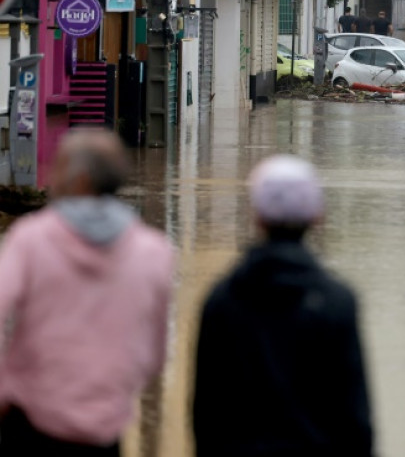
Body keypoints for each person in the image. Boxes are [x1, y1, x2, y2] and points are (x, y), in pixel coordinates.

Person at [0, 129, 174, 457]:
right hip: (104, 432)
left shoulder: (29, 241)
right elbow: (153, 355)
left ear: (79, 181)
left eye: (58, 167)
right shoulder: (154, 252)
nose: (51, 176)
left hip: (29, 423)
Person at [193, 155, 373, 457]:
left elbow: (205, 411)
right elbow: (354, 414)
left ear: (257, 216)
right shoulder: (338, 302)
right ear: (317, 216)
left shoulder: (222, 300)